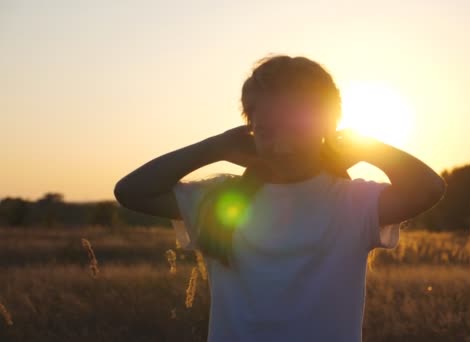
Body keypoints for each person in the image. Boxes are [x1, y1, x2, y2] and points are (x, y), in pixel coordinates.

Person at [114, 54, 446, 342]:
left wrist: (366, 147)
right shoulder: (219, 200)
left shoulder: (354, 203)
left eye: (297, 129)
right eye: (266, 131)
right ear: (249, 132)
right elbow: (131, 191)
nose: (281, 146)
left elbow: (428, 188)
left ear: (326, 127)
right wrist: (216, 147)